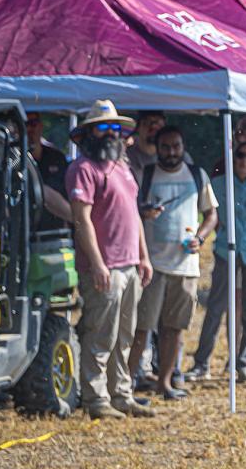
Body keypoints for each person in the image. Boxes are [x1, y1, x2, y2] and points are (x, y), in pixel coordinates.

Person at [65, 100, 155, 420]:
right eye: (103, 128)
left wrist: (144, 257)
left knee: (125, 336)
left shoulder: (123, 168)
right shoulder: (83, 169)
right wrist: (98, 263)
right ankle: (96, 399)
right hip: (104, 268)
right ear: (89, 134)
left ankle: (122, 394)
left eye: (115, 128)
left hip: (130, 265)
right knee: (100, 333)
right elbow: (82, 220)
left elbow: (134, 215)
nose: (110, 134)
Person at [130, 125, 218, 400]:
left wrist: (201, 239)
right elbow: (131, 212)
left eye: (176, 146)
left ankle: (165, 383)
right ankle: (127, 385)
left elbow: (211, 214)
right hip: (152, 265)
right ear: (157, 148)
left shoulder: (196, 175)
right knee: (142, 329)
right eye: (166, 147)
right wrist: (144, 213)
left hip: (186, 266)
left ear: (183, 147)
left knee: (174, 329)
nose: (171, 152)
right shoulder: (146, 175)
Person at [186, 143, 246, 384]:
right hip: (225, 250)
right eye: (240, 156)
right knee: (215, 308)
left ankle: (242, 364)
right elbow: (211, 214)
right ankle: (202, 364)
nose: (244, 161)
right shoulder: (218, 183)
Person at [25, 111, 71, 234]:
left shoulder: (56, 157)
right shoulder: (14, 160)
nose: (30, 129)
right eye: (25, 124)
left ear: (40, 126)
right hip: (26, 235)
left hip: (55, 233)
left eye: (33, 123)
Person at [126, 111, 166, 178]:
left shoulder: (176, 157)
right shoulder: (125, 158)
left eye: (158, 123)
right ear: (138, 128)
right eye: (147, 123)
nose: (153, 126)